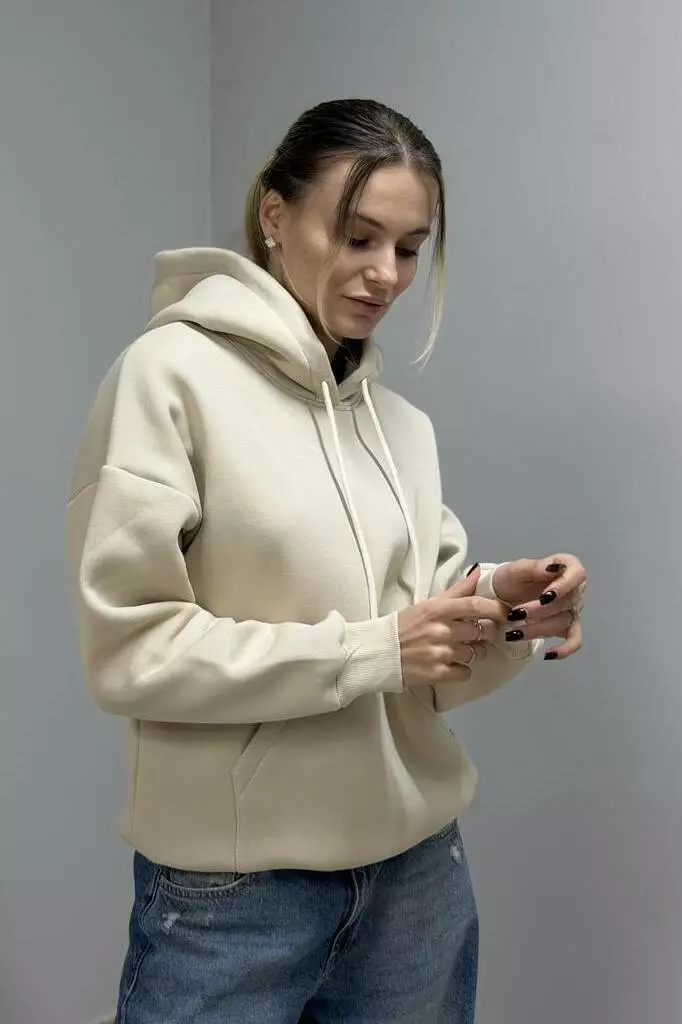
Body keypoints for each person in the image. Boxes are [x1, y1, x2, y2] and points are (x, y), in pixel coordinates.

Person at [67, 98, 586, 1024]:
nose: (386, 274)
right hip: (237, 898)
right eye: (357, 236)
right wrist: (374, 650)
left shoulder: (401, 427)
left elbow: (426, 667)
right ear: (275, 215)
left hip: (417, 880)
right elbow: (130, 651)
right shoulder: (169, 379)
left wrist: (505, 607)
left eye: (410, 247)